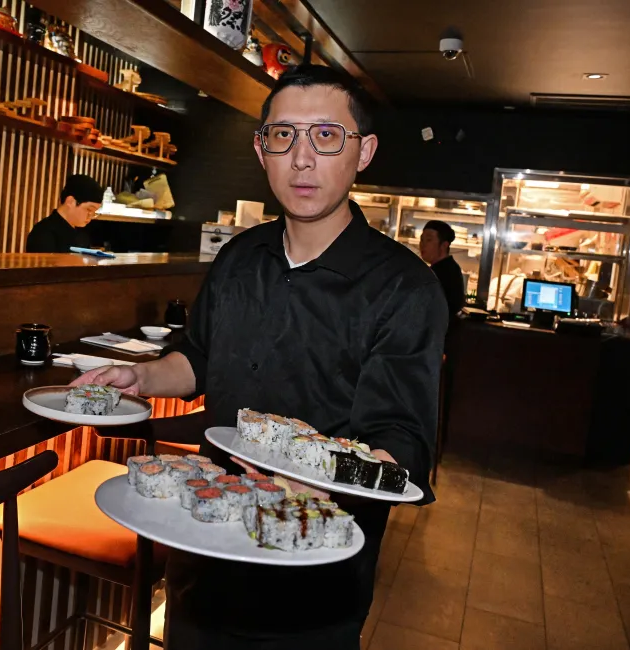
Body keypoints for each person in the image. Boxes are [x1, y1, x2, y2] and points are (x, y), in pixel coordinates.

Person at [76, 64, 447, 650]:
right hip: (206, 550)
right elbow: (197, 359)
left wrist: (314, 489)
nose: (302, 158)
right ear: (261, 148)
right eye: (283, 135)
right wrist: (142, 375)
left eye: (326, 136)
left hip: (311, 571)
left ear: (364, 152)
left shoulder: (405, 288)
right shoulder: (238, 257)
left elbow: (400, 441)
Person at [25, 174, 103, 253]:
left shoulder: (82, 234)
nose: (91, 216)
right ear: (70, 201)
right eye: (89, 209)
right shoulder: (43, 233)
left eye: (94, 212)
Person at [420, 220, 466, 316]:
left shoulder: (446, 272)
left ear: (444, 245)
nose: (422, 245)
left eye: (429, 240)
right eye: (422, 239)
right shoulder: (440, 268)